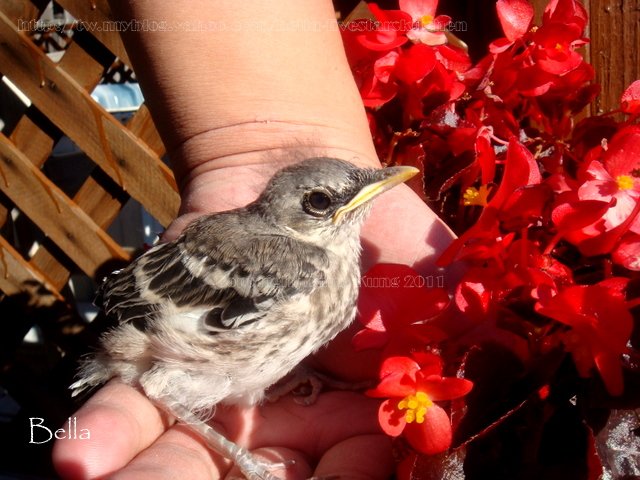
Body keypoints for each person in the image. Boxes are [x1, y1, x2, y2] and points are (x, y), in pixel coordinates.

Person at [52, 1, 458, 478]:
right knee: (160, 392)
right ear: (290, 216)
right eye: (322, 203)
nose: (355, 200)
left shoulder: (335, 268)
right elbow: (154, 326)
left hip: (225, 361)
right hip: (156, 348)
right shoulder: (290, 265)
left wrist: (289, 379)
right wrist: (240, 455)